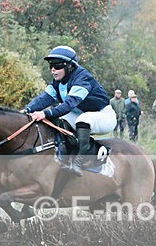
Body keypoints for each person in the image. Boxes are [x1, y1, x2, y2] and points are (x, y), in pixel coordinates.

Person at [22, 45, 115, 176]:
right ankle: (65, 157)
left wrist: (45, 113)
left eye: (57, 65)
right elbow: (44, 99)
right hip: (79, 114)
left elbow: (69, 104)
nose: (53, 70)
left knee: (83, 120)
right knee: (58, 121)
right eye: (51, 66)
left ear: (70, 66)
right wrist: (26, 110)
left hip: (103, 115)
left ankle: (82, 160)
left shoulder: (83, 78)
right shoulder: (57, 82)